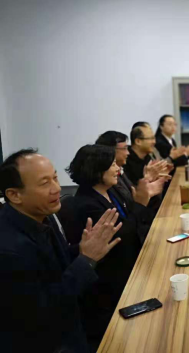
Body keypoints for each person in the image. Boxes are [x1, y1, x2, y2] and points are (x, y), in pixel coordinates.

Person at [0, 149, 122, 353]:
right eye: (44, 183)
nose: (57, 188)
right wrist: (86, 259)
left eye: (55, 178)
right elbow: (43, 311)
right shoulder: (9, 249)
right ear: (14, 195)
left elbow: (57, 262)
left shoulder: (43, 214)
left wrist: (82, 249)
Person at [67, 145, 144, 348]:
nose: (118, 169)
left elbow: (130, 223)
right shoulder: (86, 204)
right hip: (108, 284)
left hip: (127, 264)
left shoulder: (111, 191)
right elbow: (121, 237)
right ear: (96, 169)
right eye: (112, 165)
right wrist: (141, 203)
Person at [95, 130, 167, 242]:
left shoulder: (120, 172)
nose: (128, 153)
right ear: (110, 151)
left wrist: (148, 183)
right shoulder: (107, 182)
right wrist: (143, 195)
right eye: (124, 148)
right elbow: (129, 212)